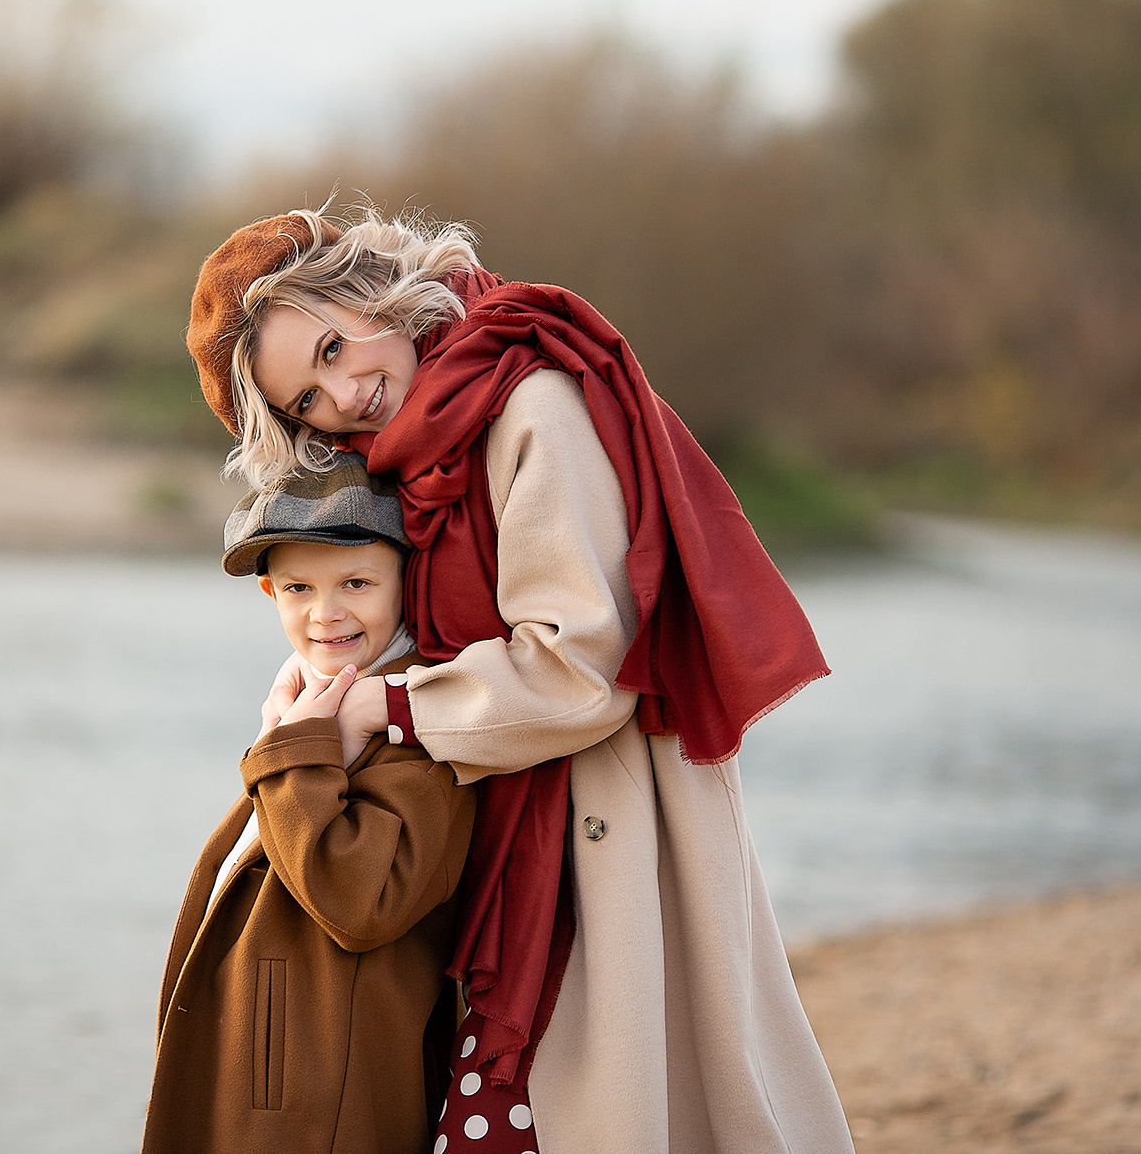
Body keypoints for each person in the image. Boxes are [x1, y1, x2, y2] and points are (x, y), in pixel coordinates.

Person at [185, 209, 857, 1154]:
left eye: (333, 348)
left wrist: (383, 705)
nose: (344, 393)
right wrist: (312, 692)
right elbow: (389, 611)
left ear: (367, 286)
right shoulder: (412, 445)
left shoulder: (527, 401)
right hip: (504, 810)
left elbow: (583, 668)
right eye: (307, 400)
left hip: (600, 820)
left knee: (591, 1110)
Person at [141, 454, 476, 1154]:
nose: (326, 612)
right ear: (270, 592)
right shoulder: (308, 702)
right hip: (266, 1088)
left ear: (407, 580)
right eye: (299, 587)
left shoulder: (419, 725)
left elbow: (361, 902)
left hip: (316, 1112)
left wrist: (293, 752)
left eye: (357, 582)